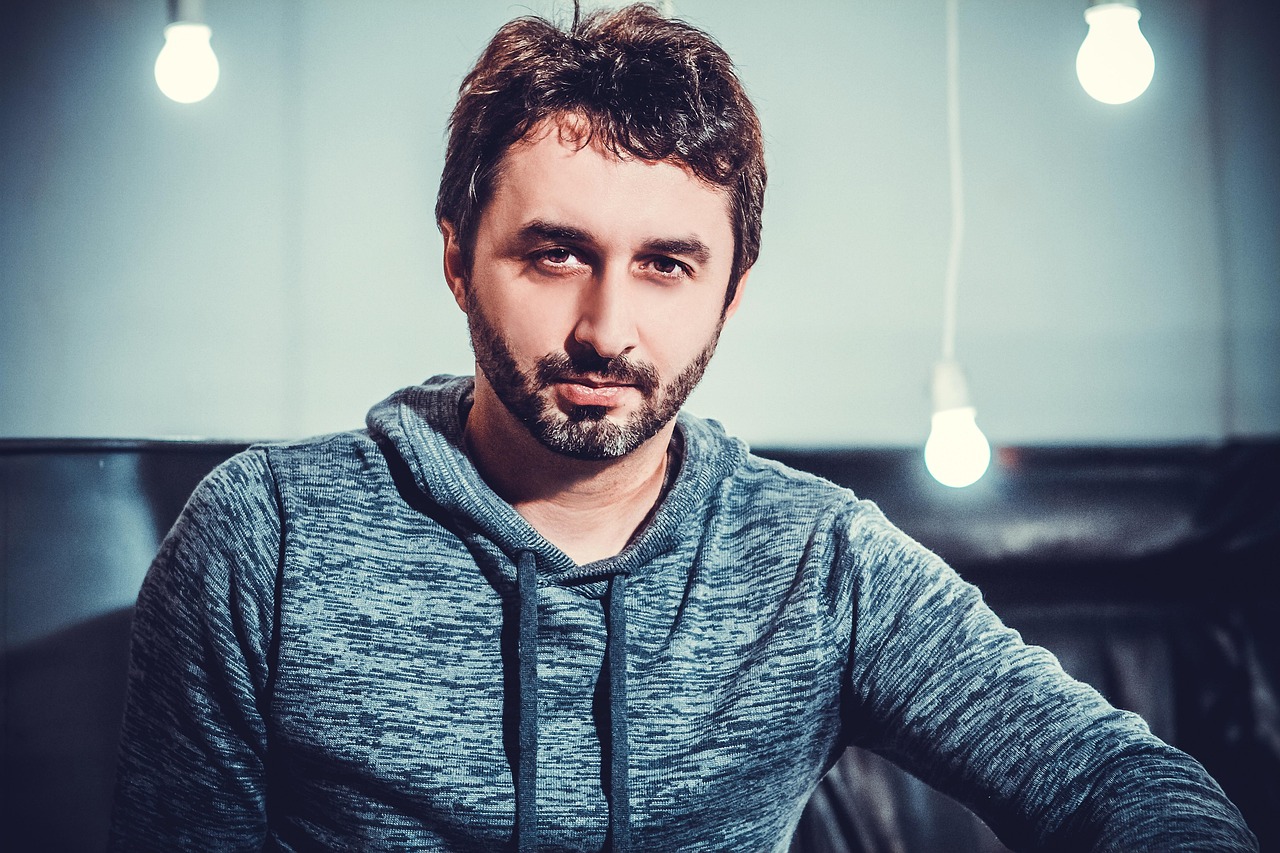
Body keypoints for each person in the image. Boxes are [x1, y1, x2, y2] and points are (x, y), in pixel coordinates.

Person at [110, 4, 1258, 851]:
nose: (606, 327)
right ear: (458, 255)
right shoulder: (263, 540)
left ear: (730, 291)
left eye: (666, 265)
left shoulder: (815, 562)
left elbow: (1110, 777)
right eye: (555, 253)